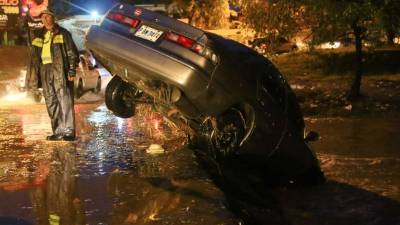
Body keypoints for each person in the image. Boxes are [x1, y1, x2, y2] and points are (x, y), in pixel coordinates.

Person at [30, 9, 79, 141]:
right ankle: (57, 131)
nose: (45, 19)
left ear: (53, 18)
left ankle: (69, 132)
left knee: (65, 100)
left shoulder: (64, 33)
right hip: (44, 69)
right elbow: (34, 58)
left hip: (59, 69)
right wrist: (34, 78)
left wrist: (71, 70)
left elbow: (71, 53)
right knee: (51, 101)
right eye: (43, 17)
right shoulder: (38, 35)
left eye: (47, 17)